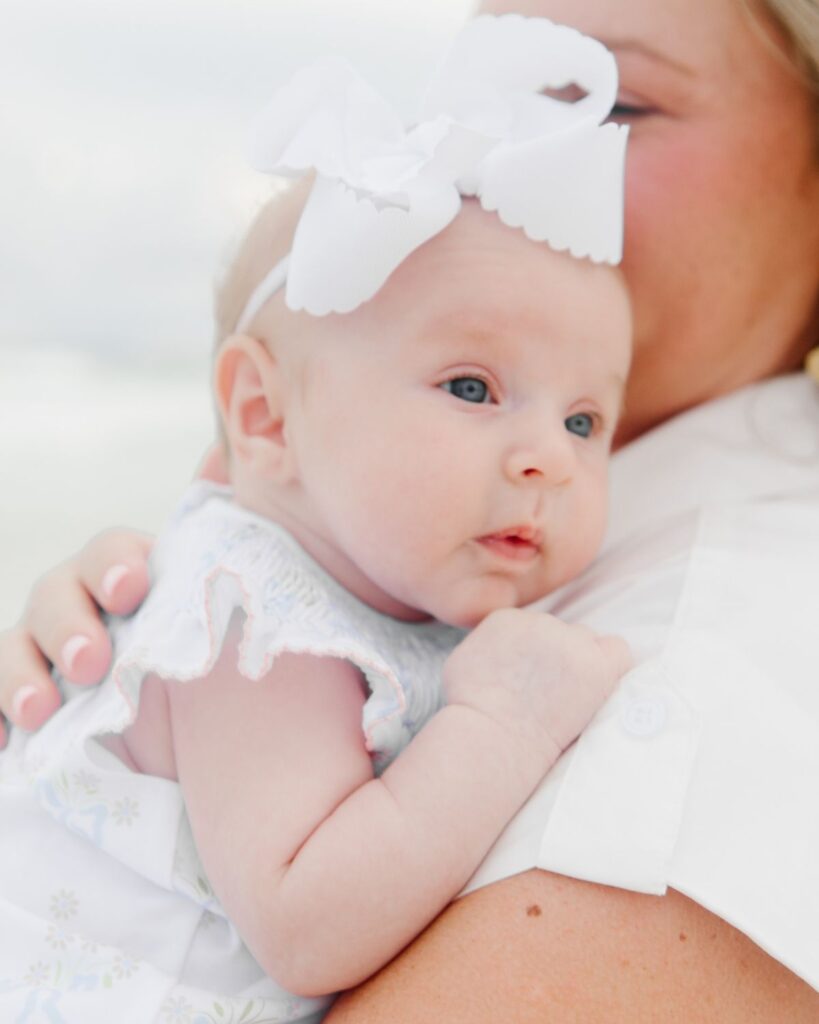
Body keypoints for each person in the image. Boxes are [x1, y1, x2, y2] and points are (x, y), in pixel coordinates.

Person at [2, 0, 819, 1019]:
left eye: (614, 104)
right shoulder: (274, 621)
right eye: (471, 387)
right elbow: (302, 911)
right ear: (263, 414)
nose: (521, 150)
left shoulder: (735, 603)